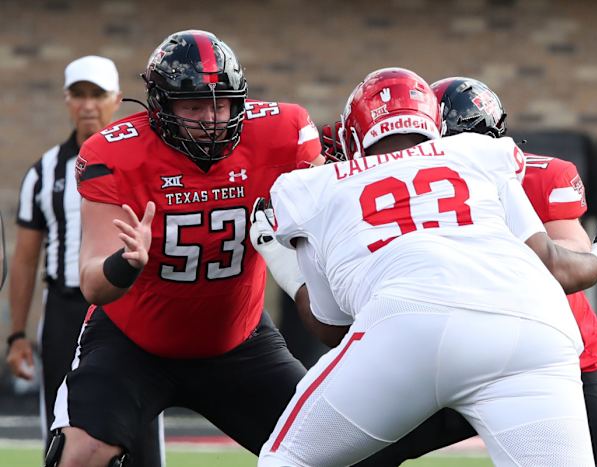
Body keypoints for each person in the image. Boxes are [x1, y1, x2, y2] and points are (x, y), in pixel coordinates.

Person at [45, 31, 435, 467]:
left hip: (237, 341)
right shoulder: (115, 154)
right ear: (161, 108)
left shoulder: (282, 134)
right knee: (81, 454)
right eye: (193, 106)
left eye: (221, 103)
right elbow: (94, 284)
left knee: (340, 452)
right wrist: (125, 263)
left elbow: (340, 213)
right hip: (133, 343)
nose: (211, 118)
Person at [255, 67, 597, 466]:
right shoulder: (483, 153)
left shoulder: (313, 188)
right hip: (534, 329)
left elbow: (332, 327)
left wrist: (284, 266)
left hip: (409, 326)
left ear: (352, 134)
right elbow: (553, 263)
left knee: (286, 458)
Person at [5, 55, 163, 467]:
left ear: (115, 100)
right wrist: (17, 334)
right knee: (62, 429)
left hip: (126, 306)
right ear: (67, 100)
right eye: (79, 95)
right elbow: (25, 258)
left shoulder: (141, 162)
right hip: (65, 308)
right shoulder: (44, 172)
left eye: (97, 95)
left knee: (141, 426)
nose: (88, 105)